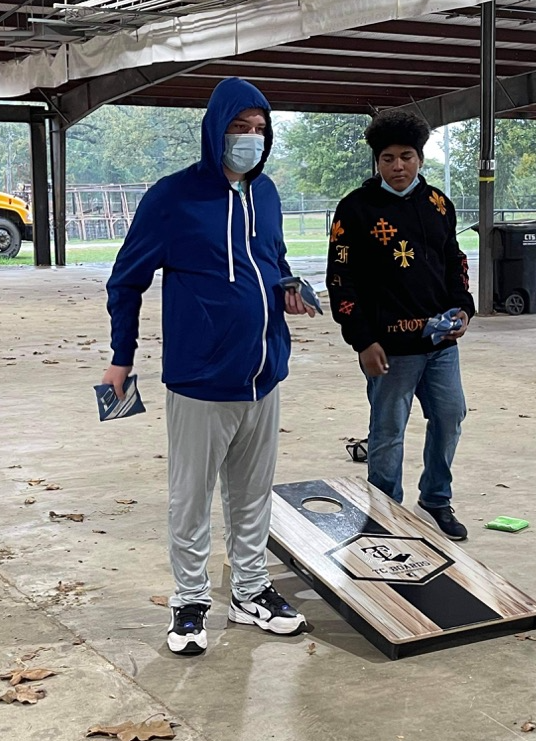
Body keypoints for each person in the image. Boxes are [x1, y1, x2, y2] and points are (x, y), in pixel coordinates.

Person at [102, 77, 315, 656]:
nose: (250, 139)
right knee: (190, 497)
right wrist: (122, 357)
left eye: (258, 130)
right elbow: (126, 281)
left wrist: (288, 284)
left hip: (264, 371)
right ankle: (189, 600)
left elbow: (272, 257)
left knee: (252, 494)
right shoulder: (172, 198)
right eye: (238, 128)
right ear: (214, 130)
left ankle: (249, 590)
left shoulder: (266, 192)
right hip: (200, 378)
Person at [326, 110, 475, 541]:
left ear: (420, 158)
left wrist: (463, 307)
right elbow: (341, 278)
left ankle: (436, 499)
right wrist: (362, 339)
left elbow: (454, 261)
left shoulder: (438, 205)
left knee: (450, 416)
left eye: (406, 156)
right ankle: (384, 508)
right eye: (388, 158)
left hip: (441, 342)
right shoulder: (355, 209)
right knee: (388, 431)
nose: (398, 166)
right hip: (388, 347)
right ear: (377, 161)